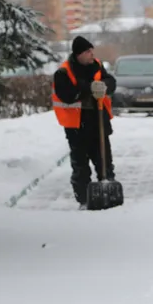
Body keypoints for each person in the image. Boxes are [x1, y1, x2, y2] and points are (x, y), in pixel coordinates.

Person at [51, 36, 118, 209]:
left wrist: (104, 85)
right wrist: (89, 89)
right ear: (78, 54)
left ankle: (108, 193)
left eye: (91, 51)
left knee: (104, 161)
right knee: (80, 165)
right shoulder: (64, 72)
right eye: (88, 51)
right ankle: (84, 199)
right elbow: (66, 95)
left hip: (98, 122)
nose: (91, 54)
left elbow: (111, 81)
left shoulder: (97, 66)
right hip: (77, 127)